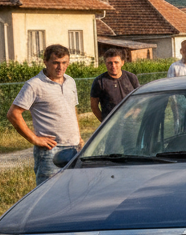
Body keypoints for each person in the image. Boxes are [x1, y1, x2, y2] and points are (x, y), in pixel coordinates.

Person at [7, 44, 82, 186]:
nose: (60, 67)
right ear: (45, 62)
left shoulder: (70, 81)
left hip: (74, 148)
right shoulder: (34, 85)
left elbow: (72, 110)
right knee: (48, 196)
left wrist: (79, 137)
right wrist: (35, 139)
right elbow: (13, 114)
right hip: (51, 151)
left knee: (73, 193)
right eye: (56, 63)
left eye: (64, 62)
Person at [89, 48, 140, 121]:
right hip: (112, 126)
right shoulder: (99, 82)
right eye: (110, 63)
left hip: (131, 122)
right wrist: (105, 123)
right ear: (105, 64)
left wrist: (136, 115)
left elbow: (139, 100)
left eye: (116, 62)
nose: (113, 66)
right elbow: (94, 106)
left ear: (122, 62)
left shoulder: (132, 78)